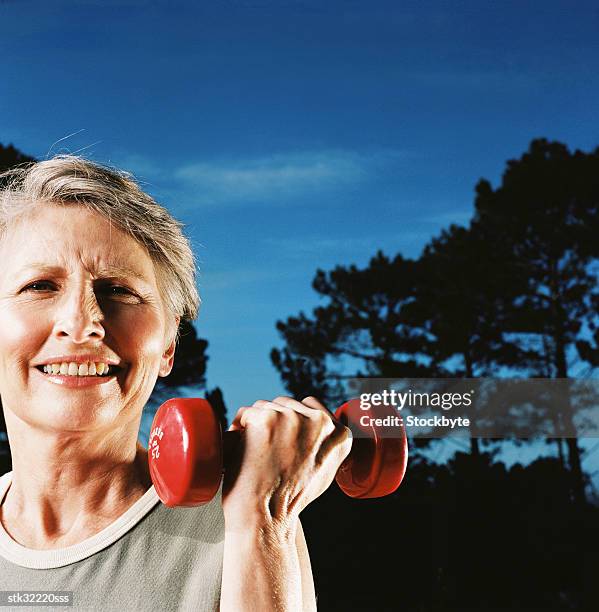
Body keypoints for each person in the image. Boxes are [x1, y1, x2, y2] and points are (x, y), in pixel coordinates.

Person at [0, 156, 352, 611]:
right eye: (40, 286)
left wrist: (263, 518)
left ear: (168, 347)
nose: (82, 322)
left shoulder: (246, 518)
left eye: (118, 290)